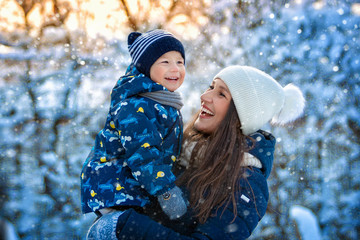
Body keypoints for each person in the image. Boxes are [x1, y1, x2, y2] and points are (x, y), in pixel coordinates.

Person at [87, 65, 305, 239]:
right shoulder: (179, 153)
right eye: (210, 87)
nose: (205, 96)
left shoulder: (247, 183)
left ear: (240, 115)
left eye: (221, 94)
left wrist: (125, 226)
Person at [81, 29, 189, 237]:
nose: (175, 68)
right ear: (145, 67)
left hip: (133, 187)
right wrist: (166, 192)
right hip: (116, 188)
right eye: (165, 62)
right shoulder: (137, 105)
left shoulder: (160, 100)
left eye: (180, 62)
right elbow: (144, 153)